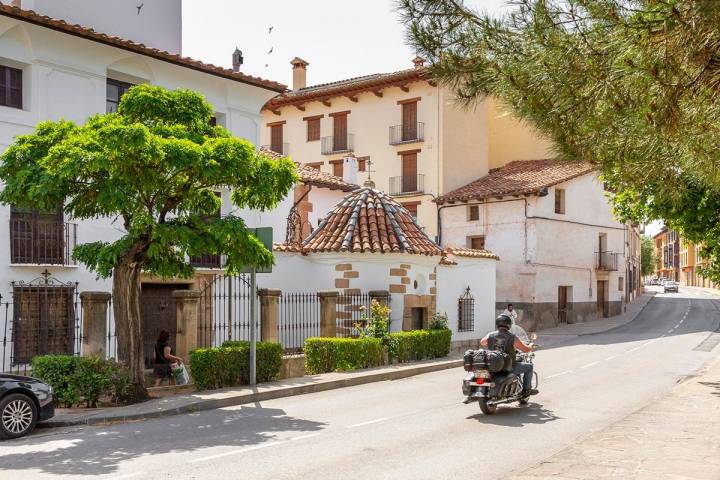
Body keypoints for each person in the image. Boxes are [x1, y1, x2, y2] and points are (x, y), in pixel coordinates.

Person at [480, 314, 538, 399]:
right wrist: (531, 346)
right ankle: (526, 390)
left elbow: (482, 342)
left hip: (492, 365)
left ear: (497, 323)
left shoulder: (491, 335)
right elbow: (525, 349)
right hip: (507, 367)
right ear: (509, 325)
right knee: (529, 367)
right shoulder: (512, 337)